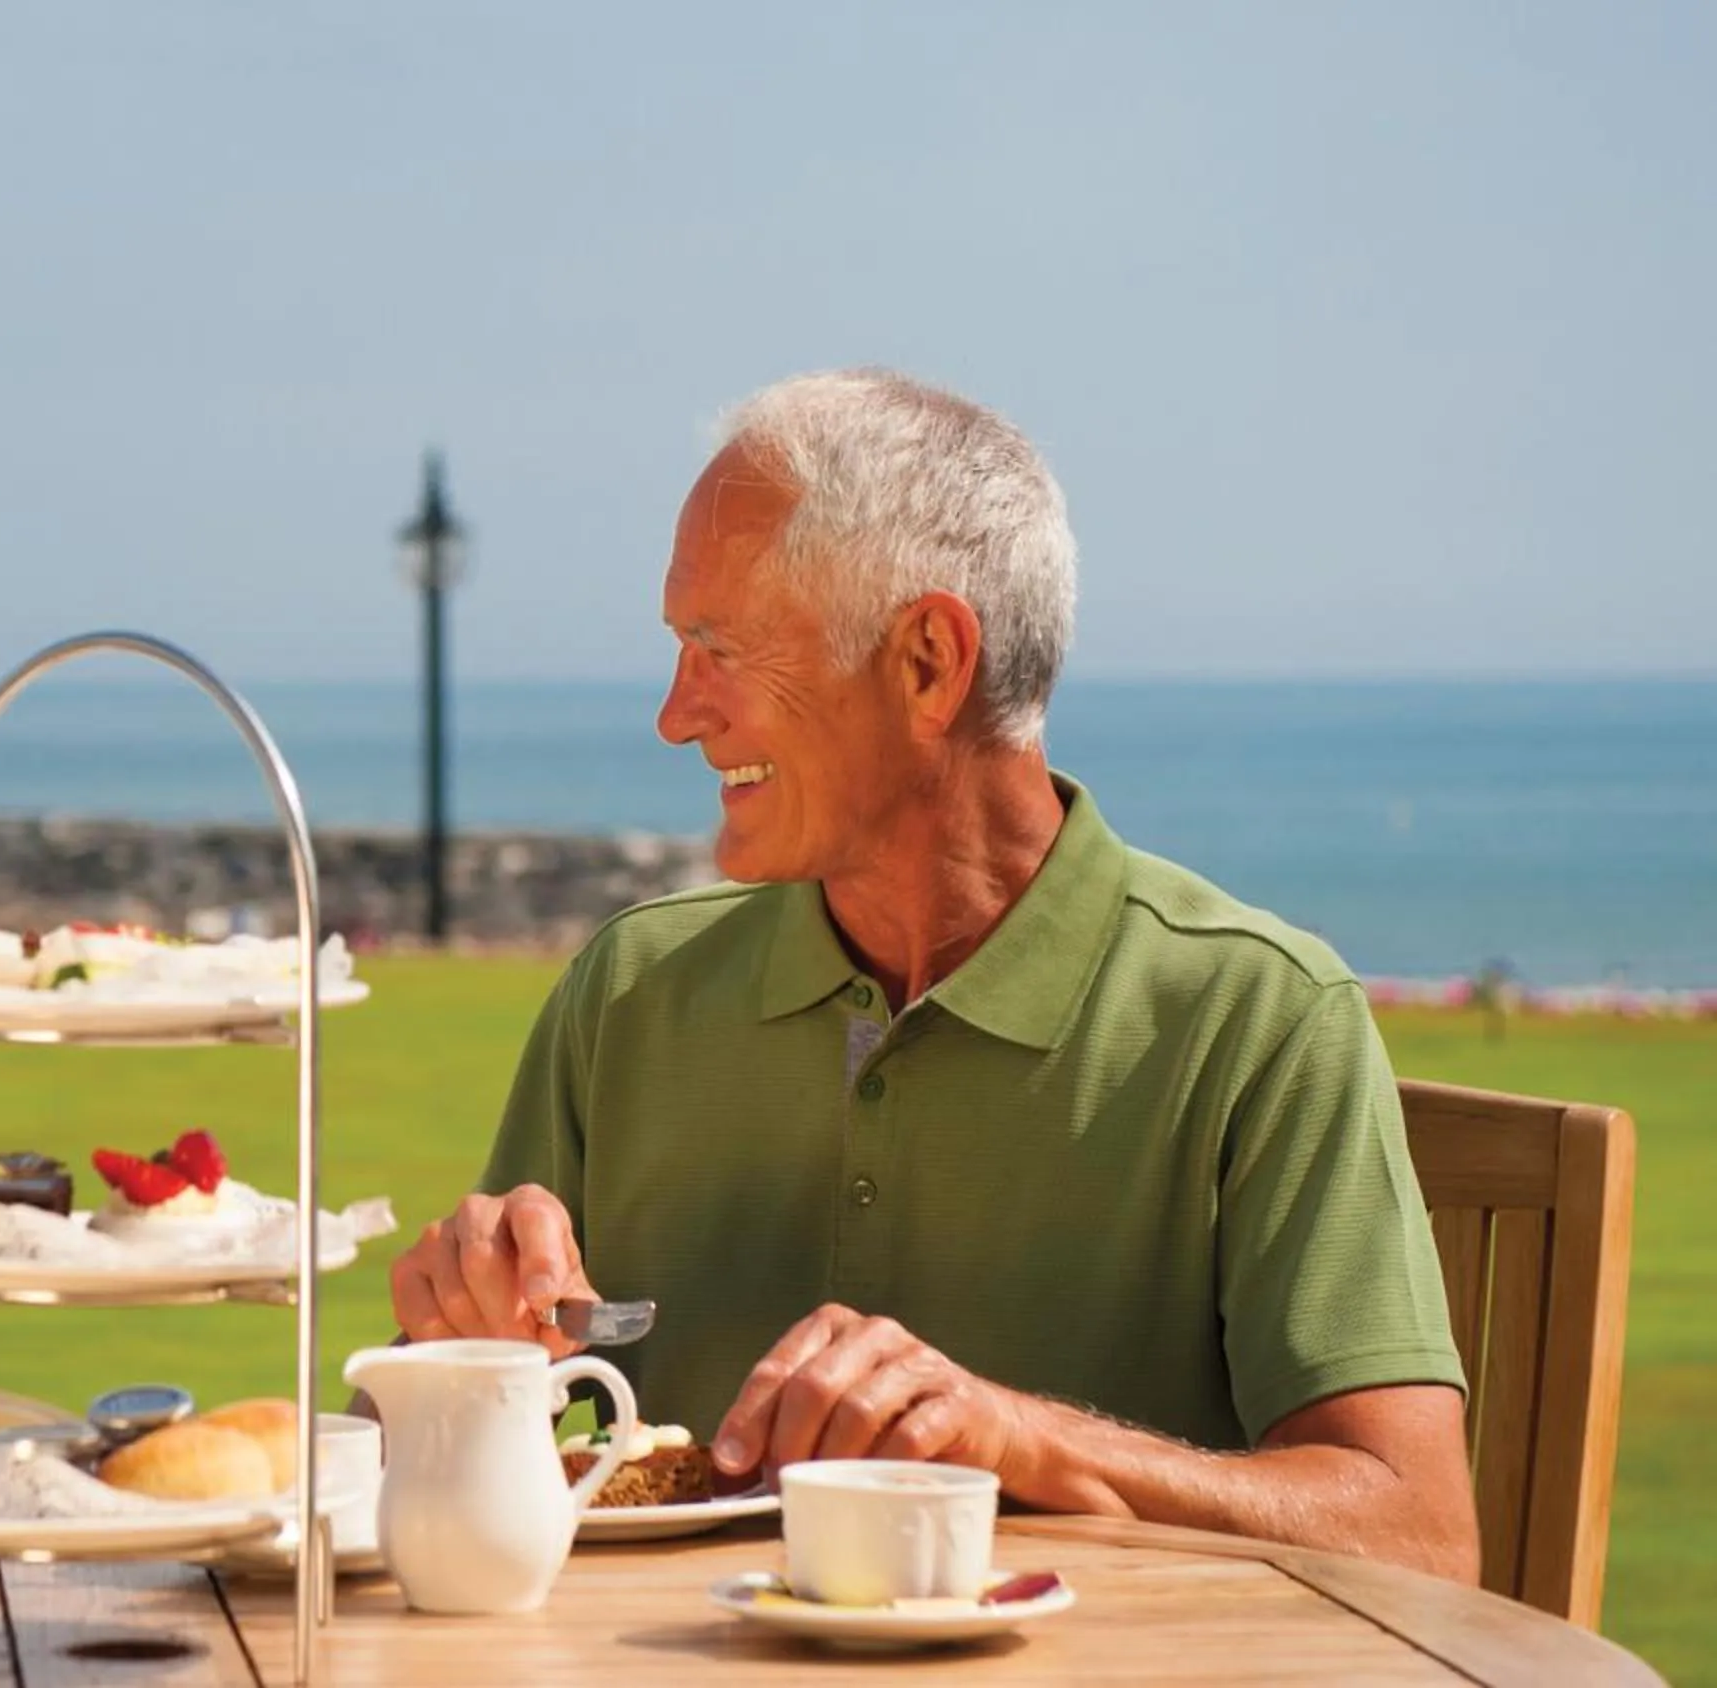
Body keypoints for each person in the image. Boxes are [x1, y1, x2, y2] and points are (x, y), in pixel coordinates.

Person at [388, 370, 1477, 1580]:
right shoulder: (630, 993)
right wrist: (465, 1342)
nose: (676, 714)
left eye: (720, 645)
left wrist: (1018, 1437)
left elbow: (1418, 1532)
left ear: (926, 660)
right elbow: (432, 1461)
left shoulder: (1258, 1018)